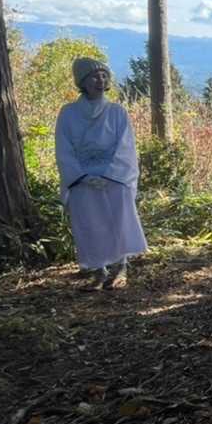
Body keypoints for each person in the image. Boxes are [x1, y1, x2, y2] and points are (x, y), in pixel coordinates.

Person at [55, 56, 148, 290]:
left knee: (118, 220)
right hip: (82, 178)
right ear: (82, 81)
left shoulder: (117, 112)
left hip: (114, 176)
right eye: (94, 76)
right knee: (89, 224)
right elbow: (64, 149)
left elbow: (126, 147)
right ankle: (98, 271)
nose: (100, 80)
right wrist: (81, 177)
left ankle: (121, 268)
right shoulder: (68, 113)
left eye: (104, 75)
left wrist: (110, 174)